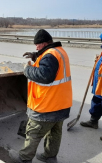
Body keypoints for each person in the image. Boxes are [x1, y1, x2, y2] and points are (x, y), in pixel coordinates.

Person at [9, 29, 72, 163]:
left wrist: (27, 70)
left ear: (44, 43)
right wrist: (36, 55)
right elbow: (51, 66)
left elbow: (45, 75)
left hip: (47, 105)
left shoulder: (50, 55)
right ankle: (50, 157)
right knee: (54, 132)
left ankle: (24, 158)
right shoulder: (60, 51)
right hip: (61, 103)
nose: (36, 47)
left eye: (37, 45)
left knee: (34, 132)